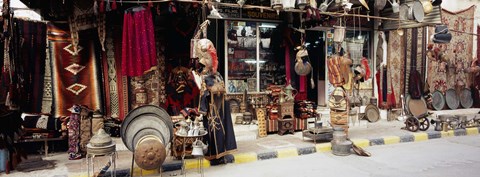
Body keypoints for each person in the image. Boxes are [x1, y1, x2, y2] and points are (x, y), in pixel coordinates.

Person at [191, 38, 237, 164]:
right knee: (214, 133)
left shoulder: (217, 75)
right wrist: (203, 110)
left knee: (222, 132)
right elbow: (203, 93)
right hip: (212, 111)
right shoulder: (204, 77)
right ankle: (215, 158)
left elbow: (222, 88)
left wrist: (219, 91)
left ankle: (222, 154)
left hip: (221, 108)